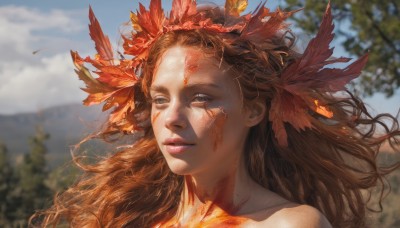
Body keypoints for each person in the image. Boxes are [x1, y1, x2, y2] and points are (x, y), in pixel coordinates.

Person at [31, 0, 400, 227]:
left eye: (201, 98)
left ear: (255, 109)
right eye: (160, 99)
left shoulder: (288, 224)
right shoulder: (135, 221)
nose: (172, 117)